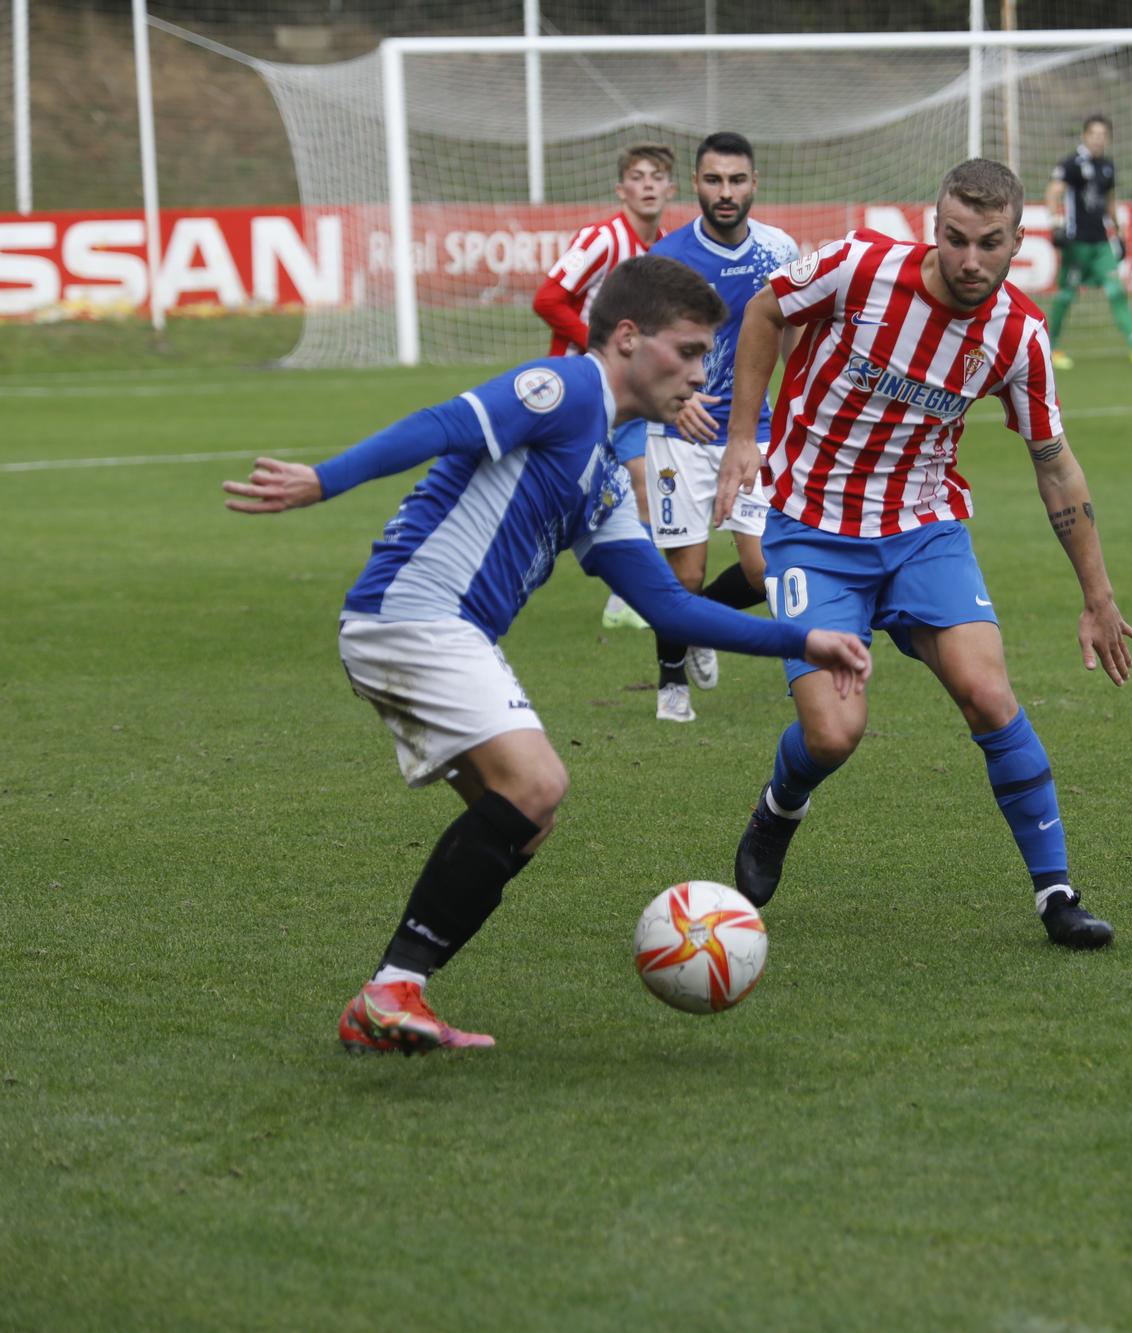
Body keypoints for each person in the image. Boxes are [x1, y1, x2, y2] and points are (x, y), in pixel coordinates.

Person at [223, 256, 871, 1054]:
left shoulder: (599, 470)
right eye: (692, 350)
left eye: (710, 354)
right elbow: (441, 422)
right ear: (628, 338)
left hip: (427, 631)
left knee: (527, 818)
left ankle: (392, 994)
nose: (705, 371)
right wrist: (324, 479)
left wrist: (800, 637)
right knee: (538, 781)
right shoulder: (562, 390)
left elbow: (667, 606)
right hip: (414, 617)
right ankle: (392, 990)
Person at [712, 158, 1132, 949]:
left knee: (987, 691)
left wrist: (1099, 595)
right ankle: (779, 806)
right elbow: (765, 310)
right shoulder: (858, 266)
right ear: (932, 226)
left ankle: (1057, 893)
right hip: (810, 527)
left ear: (1020, 241)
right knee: (835, 733)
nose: (969, 259)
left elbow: (1055, 463)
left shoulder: (1019, 335)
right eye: (954, 239)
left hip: (923, 529)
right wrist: (745, 438)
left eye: (988, 243)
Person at [621, 131, 801, 724]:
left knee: (761, 570)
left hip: (757, 430)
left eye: (737, 180)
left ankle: (699, 632)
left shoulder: (780, 251)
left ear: (755, 184)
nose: (726, 193)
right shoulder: (667, 261)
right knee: (687, 574)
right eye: (714, 180)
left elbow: (798, 338)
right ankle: (671, 678)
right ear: (696, 185)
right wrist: (673, 404)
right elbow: (637, 351)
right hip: (680, 435)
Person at [528, 142, 679, 632]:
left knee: (642, 483)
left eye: (657, 176)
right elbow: (549, 299)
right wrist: (601, 349)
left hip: (630, 397)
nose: (649, 184)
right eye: (638, 176)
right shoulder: (604, 239)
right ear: (622, 189)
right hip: (581, 388)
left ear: (671, 188)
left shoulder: (668, 247)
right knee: (557, 495)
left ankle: (625, 599)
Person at [1043, 114, 1132, 371]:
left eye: (1103, 136)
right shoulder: (1072, 164)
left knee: (1116, 289)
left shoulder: (1107, 166)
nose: (1099, 140)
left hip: (1101, 242)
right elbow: (1053, 192)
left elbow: (1110, 201)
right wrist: (1056, 223)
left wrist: (1119, 232)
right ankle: (1049, 348)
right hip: (1076, 243)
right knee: (1066, 296)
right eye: (1094, 135)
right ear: (1085, 136)